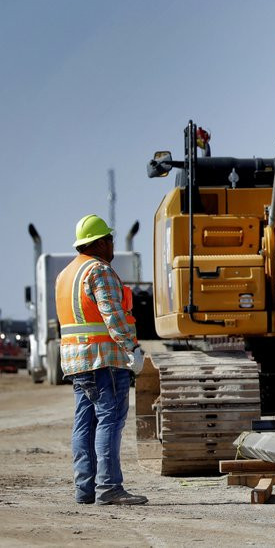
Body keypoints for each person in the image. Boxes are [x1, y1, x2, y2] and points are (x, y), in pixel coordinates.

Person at [57, 214, 147, 506]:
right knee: (110, 420)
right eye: (109, 240)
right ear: (98, 243)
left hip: (77, 362)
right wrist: (131, 348)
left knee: (84, 424)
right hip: (103, 359)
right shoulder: (99, 270)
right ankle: (108, 487)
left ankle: (85, 489)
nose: (112, 245)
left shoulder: (65, 275)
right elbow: (113, 315)